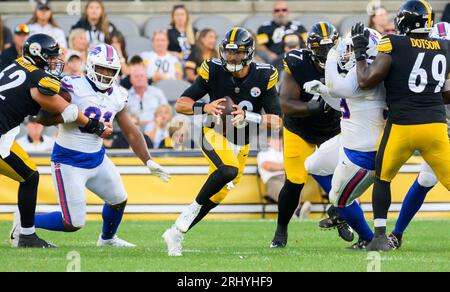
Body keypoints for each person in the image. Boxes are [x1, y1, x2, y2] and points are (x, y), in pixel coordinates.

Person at [11, 44, 170, 248]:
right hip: (69, 161)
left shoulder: (119, 94)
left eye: (109, 70)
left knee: (118, 199)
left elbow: (131, 131)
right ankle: (25, 219)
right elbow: (42, 119)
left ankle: (107, 239)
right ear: (91, 66)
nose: (105, 74)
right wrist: (65, 116)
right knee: (73, 223)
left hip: (97, 158)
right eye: (101, 68)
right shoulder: (71, 85)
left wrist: (148, 161)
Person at [162, 27, 282, 256]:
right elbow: (181, 104)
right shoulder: (214, 69)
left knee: (217, 195)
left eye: (237, 53)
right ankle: (188, 213)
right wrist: (204, 107)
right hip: (214, 134)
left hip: (242, 142)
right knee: (228, 170)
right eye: (228, 52)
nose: (231, 57)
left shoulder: (264, 75)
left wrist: (249, 116)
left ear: (248, 53)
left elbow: (278, 121)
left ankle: (175, 233)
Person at [353, 0, 450, 251]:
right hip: (435, 127)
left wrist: (360, 54)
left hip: (402, 125)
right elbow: (447, 94)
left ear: (405, 21)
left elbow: (366, 80)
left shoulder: (393, 42)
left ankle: (379, 237)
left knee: (383, 177)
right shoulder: (445, 46)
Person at [2, 33, 110, 248]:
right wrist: (94, 125)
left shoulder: (17, 65)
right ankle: (26, 236)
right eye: (51, 57)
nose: (54, 61)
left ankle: (26, 234)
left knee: (30, 175)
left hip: (4, 135)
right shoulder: (37, 78)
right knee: (29, 177)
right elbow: (64, 108)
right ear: (37, 55)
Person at [304, 28, 386, 249]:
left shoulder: (366, 72)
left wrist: (330, 55)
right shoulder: (365, 71)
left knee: (337, 199)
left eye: (351, 49)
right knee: (314, 163)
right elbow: (344, 105)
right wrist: (322, 91)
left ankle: (367, 237)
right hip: (350, 138)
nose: (346, 54)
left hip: (363, 150)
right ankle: (348, 207)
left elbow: (337, 88)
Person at [269, 22, 349, 248]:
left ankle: (339, 214)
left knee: (344, 176)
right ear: (311, 49)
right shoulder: (298, 63)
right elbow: (285, 104)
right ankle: (281, 230)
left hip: (332, 129)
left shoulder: (347, 62)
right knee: (294, 182)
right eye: (321, 49)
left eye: (329, 48)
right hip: (300, 129)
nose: (326, 54)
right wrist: (314, 108)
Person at [387, 22, 450, 250]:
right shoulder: (437, 56)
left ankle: (395, 233)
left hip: (437, 128)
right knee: (425, 180)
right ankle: (396, 233)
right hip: (437, 130)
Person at [127, 64, 168, 130]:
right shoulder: (125, 96)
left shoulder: (157, 92)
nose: (139, 78)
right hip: (134, 130)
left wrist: (155, 122)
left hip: (156, 128)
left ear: (146, 78)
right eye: (136, 76)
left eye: (142, 76)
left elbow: (166, 111)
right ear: (131, 80)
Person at [257, 134, 285, 202]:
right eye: (275, 139)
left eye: (280, 139)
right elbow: (268, 166)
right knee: (284, 191)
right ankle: (297, 211)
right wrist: (286, 166)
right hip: (272, 179)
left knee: (296, 187)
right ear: (269, 140)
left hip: (288, 178)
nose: (278, 141)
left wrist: (280, 166)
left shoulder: (286, 152)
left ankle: (296, 211)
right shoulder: (263, 153)